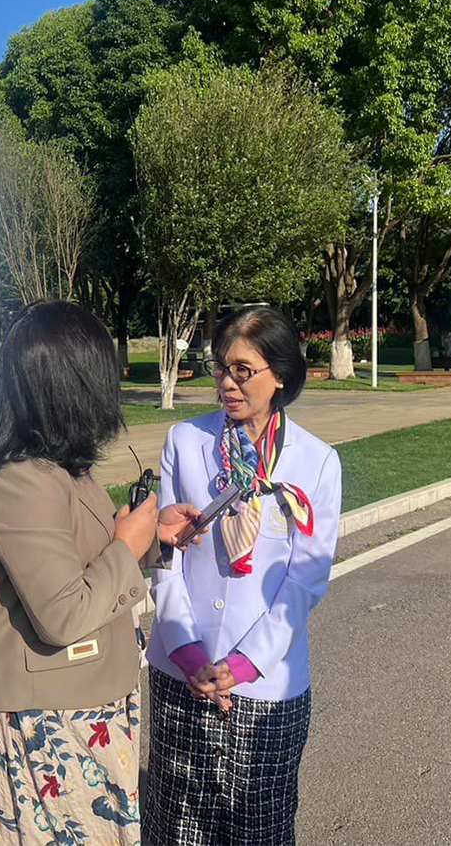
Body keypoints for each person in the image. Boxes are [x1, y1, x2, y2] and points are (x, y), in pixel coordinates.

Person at [0, 301, 203, 845]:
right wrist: (127, 543)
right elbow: (64, 614)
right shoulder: (22, 482)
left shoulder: (58, 469)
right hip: (44, 721)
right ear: (68, 385)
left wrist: (148, 536)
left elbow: (84, 563)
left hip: (78, 707)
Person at [144, 306, 342, 845]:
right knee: (177, 827)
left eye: (242, 370)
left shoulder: (317, 463)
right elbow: (167, 560)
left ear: (280, 375)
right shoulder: (185, 443)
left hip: (267, 688)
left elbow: (304, 581)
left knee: (261, 830)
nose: (227, 384)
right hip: (182, 677)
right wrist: (186, 652)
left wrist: (243, 664)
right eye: (219, 369)